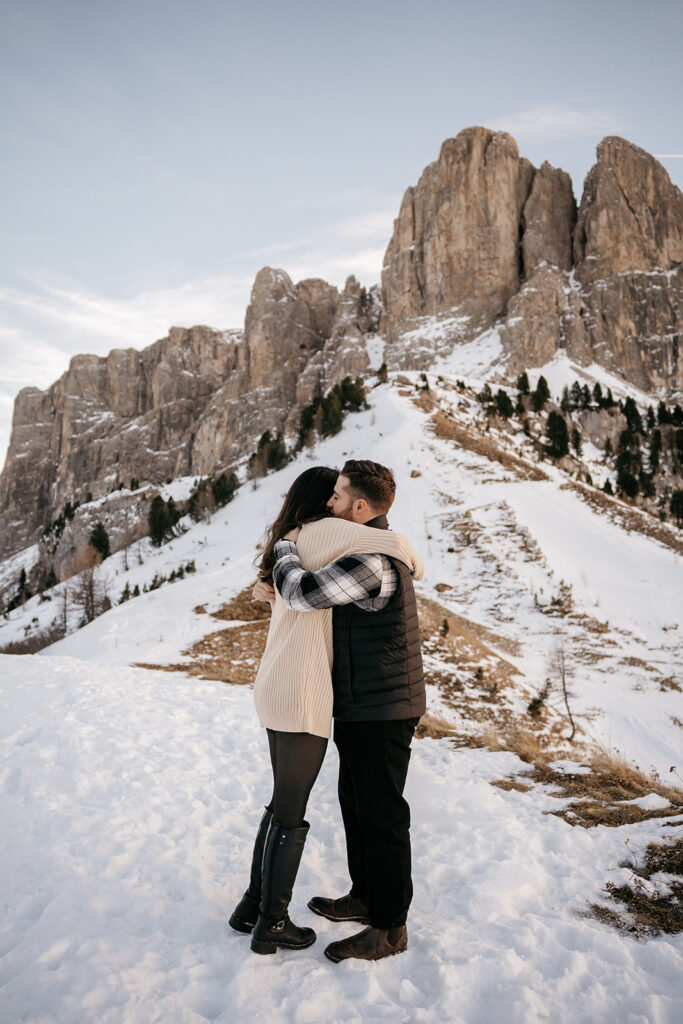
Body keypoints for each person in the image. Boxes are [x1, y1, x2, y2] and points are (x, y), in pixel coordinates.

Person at [228, 466, 423, 956]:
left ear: (359, 508)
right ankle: (361, 896)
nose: (332, 502)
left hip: (384, 704)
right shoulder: (349, 546)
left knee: (381, 815)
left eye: (340, 495)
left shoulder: (373, 557)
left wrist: (286, 546)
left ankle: (388, 927)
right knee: (356, 807)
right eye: (330, 494)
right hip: (356, 702)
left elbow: (303, 593)